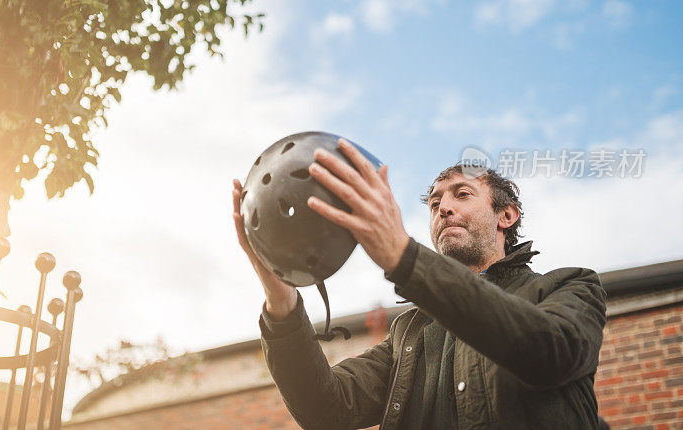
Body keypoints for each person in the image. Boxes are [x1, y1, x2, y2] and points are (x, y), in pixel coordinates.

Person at [231, 138, 607, 430]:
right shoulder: (407, 334)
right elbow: (325, 407)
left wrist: (403, 257)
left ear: (506, 215)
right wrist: (281, 300)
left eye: (462, 194)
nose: (443, 208)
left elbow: (550, 354)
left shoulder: (572, 286)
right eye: (434, 203)